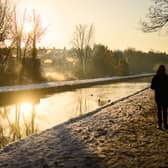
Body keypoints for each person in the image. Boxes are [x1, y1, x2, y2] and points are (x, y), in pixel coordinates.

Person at [151, 65, 168, 129]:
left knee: (159, 110)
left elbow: (152, 87)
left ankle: (160, 124)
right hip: (165, 96)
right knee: (164, 110)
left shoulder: (155, 77)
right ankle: (165, 124)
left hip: (158, 96)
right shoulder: (166, 77)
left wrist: (157, 87)